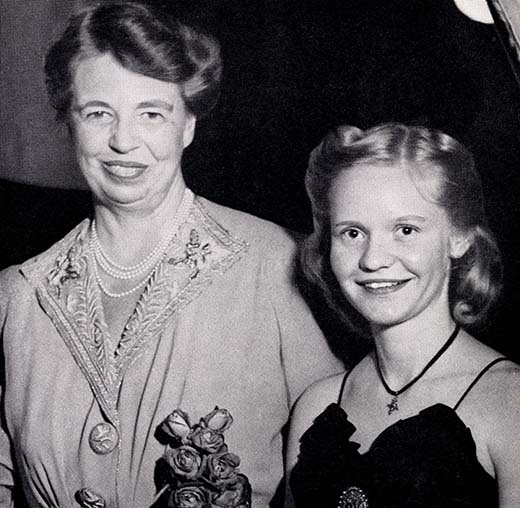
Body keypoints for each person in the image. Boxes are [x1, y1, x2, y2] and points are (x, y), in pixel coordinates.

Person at [0, 3, 343, 507]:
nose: (122, 141)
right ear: (68, 123)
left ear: (188, 125)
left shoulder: (277, 266)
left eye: (152, 114)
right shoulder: (17, 296)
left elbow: (335, 469)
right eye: (98, 113)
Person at [286, 123, 520, 507]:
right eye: (352, 233)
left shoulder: (509, 401)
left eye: (406, 230)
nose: (373, 259)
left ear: (459, 237)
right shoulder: (315, 407)